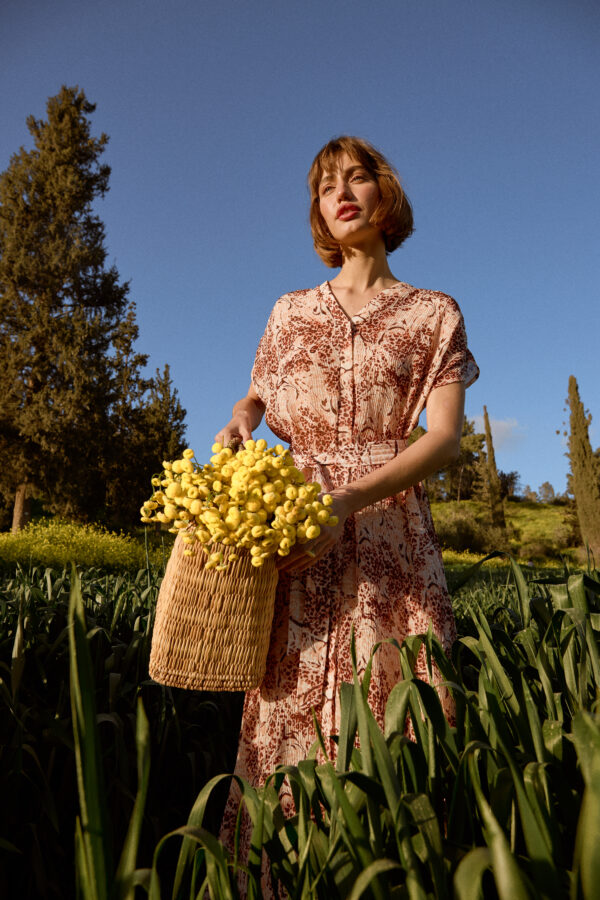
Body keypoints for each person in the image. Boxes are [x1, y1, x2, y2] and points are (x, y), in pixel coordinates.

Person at [217, 135, 479, 887]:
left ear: (384, 195)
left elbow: (447, 439)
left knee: (397, 703)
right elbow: (257, 397)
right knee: (287, 704)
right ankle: (279, 874)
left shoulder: (434, 313)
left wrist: (352, 499)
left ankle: (392, 874)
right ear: (320, 216)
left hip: (389, 528)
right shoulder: (289, 311)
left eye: (357, 177)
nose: (342, 192)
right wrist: (239, 420)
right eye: (327, 185)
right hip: (298, 527)